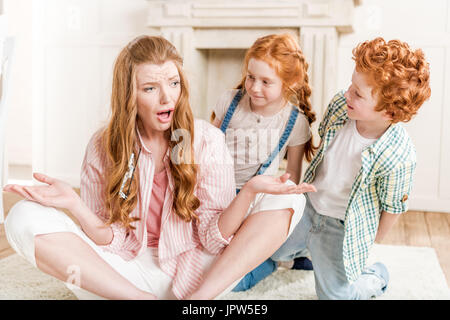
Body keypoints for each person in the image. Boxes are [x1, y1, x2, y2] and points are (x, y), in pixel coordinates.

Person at [3, 35, 313, 300]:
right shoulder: (103, 145)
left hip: (198, 272)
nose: (168, 97)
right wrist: (73, 204)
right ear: (129, 95)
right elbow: (113, 238)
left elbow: (210, 236)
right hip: (124, 274)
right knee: (22, 215)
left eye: (174, 83)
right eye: (150, 88)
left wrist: (248, 191)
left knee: (289, 197)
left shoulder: (205, 140)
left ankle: (198, 303)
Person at [236, 37, 432, 299]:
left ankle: (373, 277)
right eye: (351, 84)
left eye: (358, 93)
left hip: (341, 227)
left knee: (335, 297)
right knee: (274, 249)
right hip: (308, 206)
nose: (348, 92)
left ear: (389, 113)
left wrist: (368, 241)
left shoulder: (398, 155)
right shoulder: (341, 105)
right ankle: (307, 254)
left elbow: (393, 206)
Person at [187, 33, 317, 299]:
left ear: (289, 82)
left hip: (254, 201)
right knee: (200, 261)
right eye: (251, 77)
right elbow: (208, 147)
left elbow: (290, 178)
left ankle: (269, 261)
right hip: (213, 191)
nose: (255, 87)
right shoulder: (230, 101)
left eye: (266, 82)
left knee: (234, 278)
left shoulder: (295, 122)